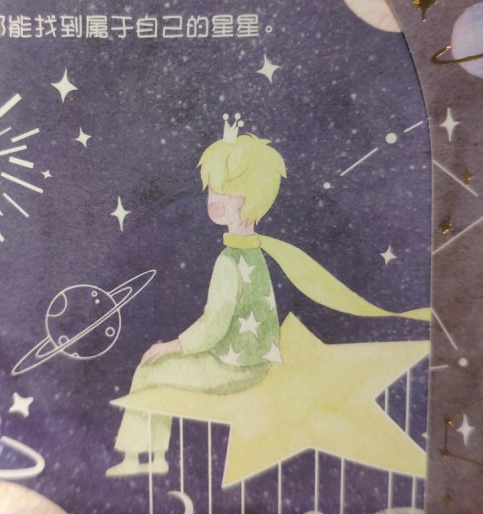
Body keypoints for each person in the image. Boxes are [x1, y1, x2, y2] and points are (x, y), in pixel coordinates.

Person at [106, 115, 429, 477]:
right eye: (212, 192)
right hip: (252, 361)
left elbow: (214, 324)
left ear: (247, 200)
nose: (213, 201)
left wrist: (173, 346)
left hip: (232, 368)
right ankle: (156, 458)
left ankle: (139, 458)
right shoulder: (255, 253)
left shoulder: (230, 260)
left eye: (223, 193)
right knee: (160, 368)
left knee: (151, 369)